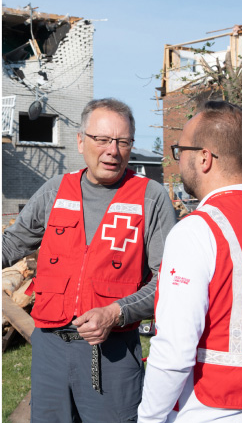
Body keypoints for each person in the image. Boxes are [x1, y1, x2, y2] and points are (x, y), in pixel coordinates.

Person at [2, 98, 176, 423]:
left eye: (123, 142)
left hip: (111, 354)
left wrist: (116, 312)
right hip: (50, 350)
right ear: (81, 141)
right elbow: (12, 242)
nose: (113, 150)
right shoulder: (55, 191)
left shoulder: (151, 198)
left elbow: (170, 280)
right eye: (103, 139)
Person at [138, 100, 242, 423]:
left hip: (205, 411)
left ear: (204, 158)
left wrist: (148, 418)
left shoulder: (196, 231)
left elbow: (174, 351)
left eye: (180, 150)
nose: (178, 161)